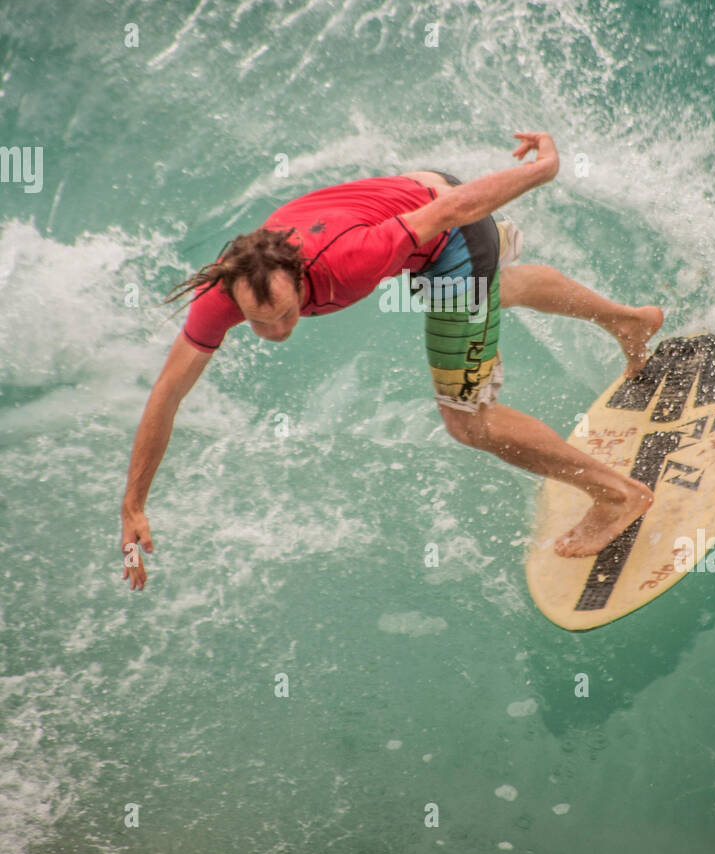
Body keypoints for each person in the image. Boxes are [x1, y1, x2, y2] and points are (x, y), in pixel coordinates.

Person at [120, 132, 662, 590]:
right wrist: (134, 504)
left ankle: (617, 495)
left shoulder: (352, 258)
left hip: (450, 230)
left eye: (286, 314)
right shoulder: (225, 288)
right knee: (499, 286)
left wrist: (547, 167)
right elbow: (168, 392)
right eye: (256, 321)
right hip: (413, 189)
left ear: (302, 277)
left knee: (467, 421)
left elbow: (455, 209)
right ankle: (628, 320)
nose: (274, 332)